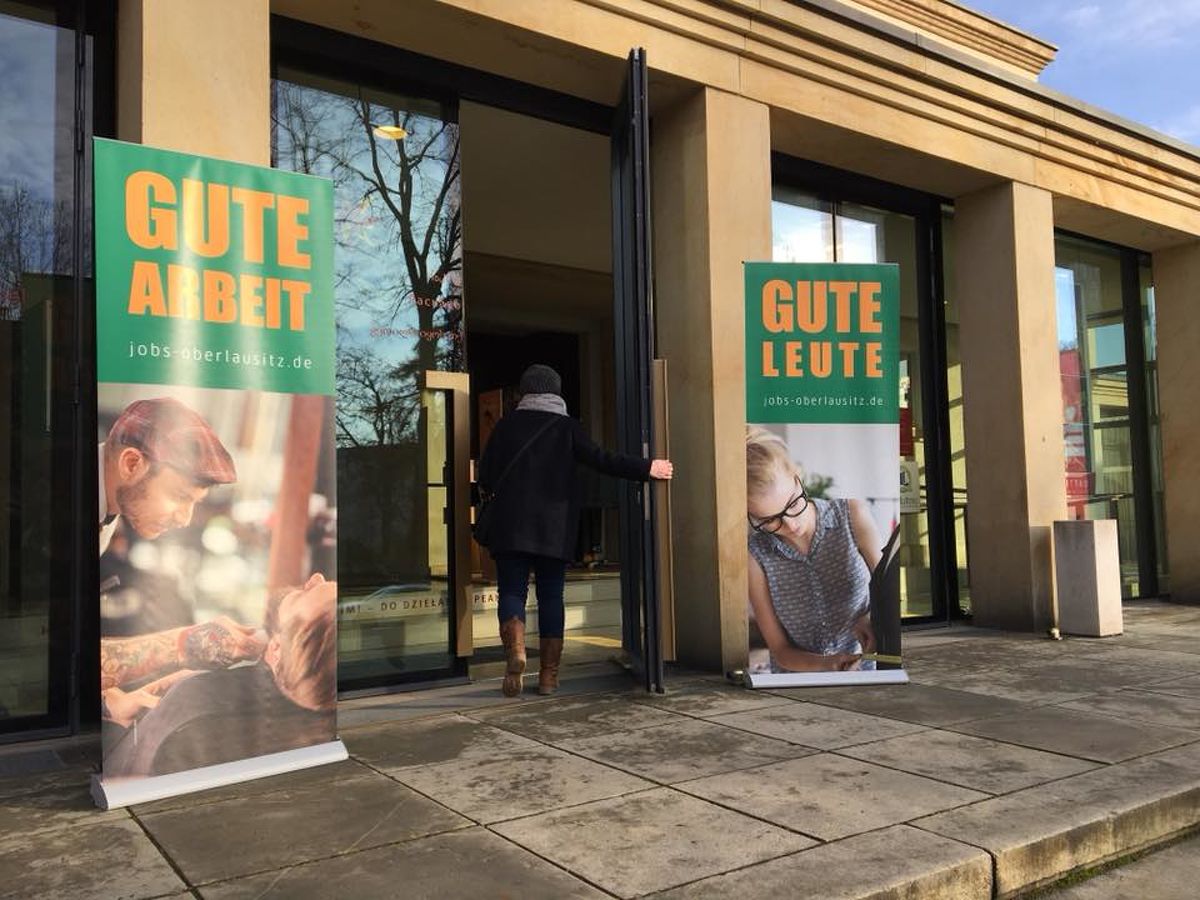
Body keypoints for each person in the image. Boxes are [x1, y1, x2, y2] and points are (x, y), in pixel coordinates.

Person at [478, 364, 674, 697]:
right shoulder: (567, 428)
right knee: (551, 596)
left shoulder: (506, 426)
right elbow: (601, 459)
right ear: (556, 392)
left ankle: (516, 652)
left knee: (512, 591)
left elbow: (485, 475)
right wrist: (646, 468)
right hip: (554, 528)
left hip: (510, 527)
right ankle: (549, 677)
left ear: (524, 392)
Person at [98, 397, 261, 721]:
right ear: (131, 464)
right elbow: (39, 656)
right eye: (179, 496)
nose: (185, 519)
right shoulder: (51, 504)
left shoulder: (110, 507)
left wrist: (108, 699)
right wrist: (187, 643)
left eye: (195, 503)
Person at [103, 573, 338, 778]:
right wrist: (116, 703)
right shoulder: (299, 728)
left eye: (306, 595)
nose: (316, 577)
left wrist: (184, 645)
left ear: (278, 649)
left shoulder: (204, 711)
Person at [745, 426, 879, 673]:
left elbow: (889, 592)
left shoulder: (852, 516)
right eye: (770, 519)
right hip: (795, 686)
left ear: (798, 477)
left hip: (865, 676)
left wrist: (871, 617)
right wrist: (828, 665)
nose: (790, 524)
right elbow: (780, 651)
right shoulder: (756, 555)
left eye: (791, 504)